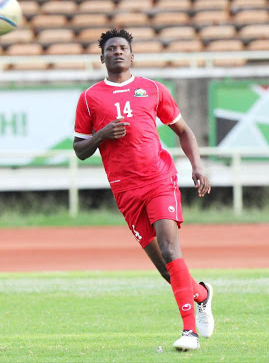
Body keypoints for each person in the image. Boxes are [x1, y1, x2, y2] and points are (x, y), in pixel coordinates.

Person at [73, 29, 214, 351]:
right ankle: (202, 295)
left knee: (170, 250)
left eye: (123, 48)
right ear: (102, 57)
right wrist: (102, 134)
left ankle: (189, 333)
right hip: (125, 190)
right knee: (167, 270)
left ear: (132, 55)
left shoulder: (152, 89)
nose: (118, 52)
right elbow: (80, 149)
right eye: (111, 49)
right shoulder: (90, 97)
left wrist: (197, 167)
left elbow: (184, 131)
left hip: (159, 179)